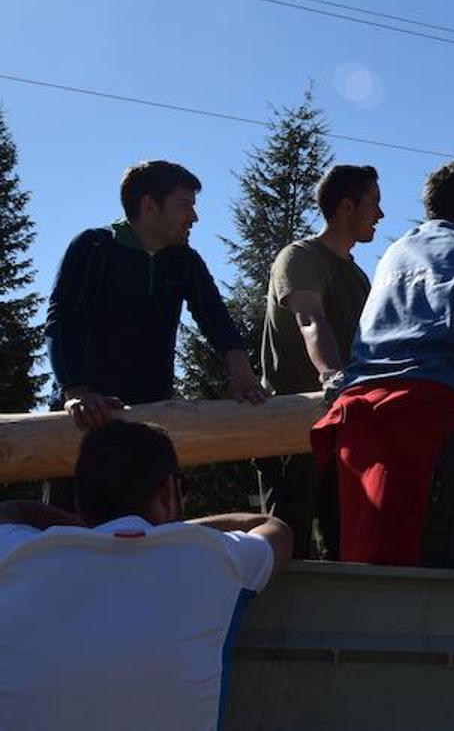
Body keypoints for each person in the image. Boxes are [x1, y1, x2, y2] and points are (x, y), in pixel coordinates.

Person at [311, 161, 454, 568]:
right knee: (430, 577)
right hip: (432, 425)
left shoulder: (394, 255)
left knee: (362, 564)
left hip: (357, 421)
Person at [0, 420, 292, 730]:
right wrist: (169, 531)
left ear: (79, 500)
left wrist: (88, 530)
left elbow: (12, 508)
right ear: (168, 492)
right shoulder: (216, 558)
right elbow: (274, 528)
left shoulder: (15, 553)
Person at [44, 160, 264, 506]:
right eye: (184, 206)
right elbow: (61, 323)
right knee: (72, 536)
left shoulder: (184, 261)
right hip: (86, 420)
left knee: (156, 535)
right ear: (149, 205)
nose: (194, 217)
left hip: (152, 422)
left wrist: (241, 370)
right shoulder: (94, 247)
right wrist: (76, 392)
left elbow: (215, 317)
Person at [257, 164, 382, 559]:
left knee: (347, 546)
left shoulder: (359, 279)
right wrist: (331, 375)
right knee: (284, 543)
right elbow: (310, 318)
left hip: (343, 429)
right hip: (293, 426)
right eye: (374, 203)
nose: (380, 214)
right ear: (346, 207)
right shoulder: (299, 257)